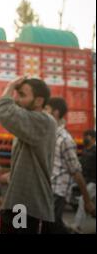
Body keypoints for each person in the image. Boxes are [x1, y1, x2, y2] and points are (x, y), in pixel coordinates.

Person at [0, 77, 56, 234]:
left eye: (22, 95)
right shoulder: (34, 122)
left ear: (38, 101)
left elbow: (4, 111)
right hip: (21, 203)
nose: (16, 99)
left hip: (26, 205)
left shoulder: (43, 121)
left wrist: (10, 86)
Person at [45, 97, 95, 233]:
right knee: (50, 226)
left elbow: (76, 172)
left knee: (52, 225)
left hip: (58, 192)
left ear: (55, 113)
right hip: (48, 189)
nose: (43, 112)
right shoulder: (50, 135)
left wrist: (87, 200)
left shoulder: (65, 140)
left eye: (46, 109)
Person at [73, 129, 96, 232]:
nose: (84, 138)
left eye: (87, 136)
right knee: (88, 203)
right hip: (86, 181)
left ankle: (78, 226)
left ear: (93, 138)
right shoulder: (85, 150)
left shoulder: (95, 150)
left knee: (83, 200)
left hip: (94, 182)